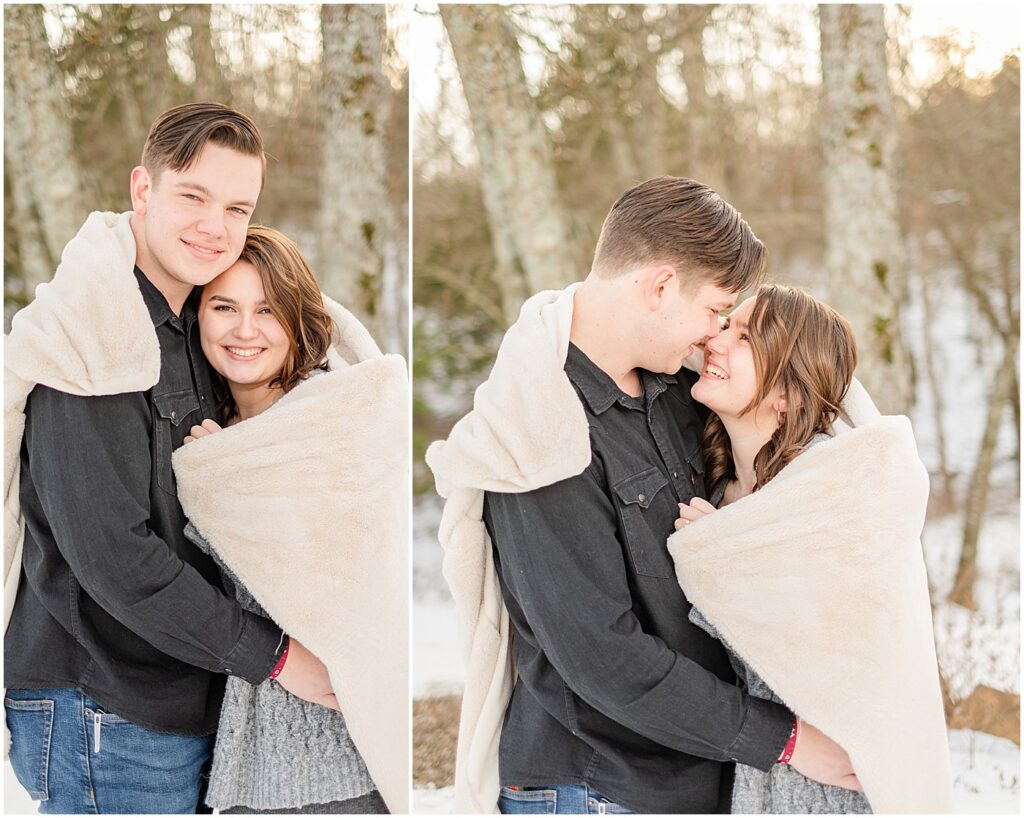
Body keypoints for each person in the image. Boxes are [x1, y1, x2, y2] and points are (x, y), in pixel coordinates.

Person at [426, 177, 860, 814]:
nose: (714, 335)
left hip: (699, 778)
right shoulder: (540, 430)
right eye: (716, 311)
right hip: (598, 785)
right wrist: (788, 742)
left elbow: (797, 396)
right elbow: (605, 658)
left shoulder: (679, 391)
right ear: (659, 286)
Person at [4, 103, 335, 814]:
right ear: (142, 190)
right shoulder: (91, 334)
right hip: (107, 701)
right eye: (193, 196)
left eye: (237, 206)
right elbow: (115, 557)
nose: (214, 226)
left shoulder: (197, 326)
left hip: (183, 691)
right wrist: (275, 658)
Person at [671, 285, 953, 813]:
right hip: (759, 773)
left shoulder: (838, 487)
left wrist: (725, 557)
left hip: (835, 784)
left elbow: (835, 638)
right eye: (724, 323)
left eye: (745, 337)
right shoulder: (720, 487)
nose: (716, 339)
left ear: (789, 393)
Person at [180, 226, 388, 814]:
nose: (245, 330)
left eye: (268, 311)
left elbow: (309, 586)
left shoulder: (331, 423)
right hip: (251, 757)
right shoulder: (224, 430)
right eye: (225, 307)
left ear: (299, 323)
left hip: (332, 760)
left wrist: (224, 482)